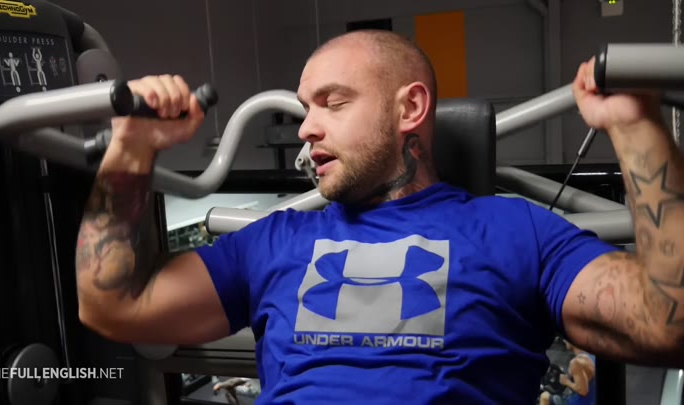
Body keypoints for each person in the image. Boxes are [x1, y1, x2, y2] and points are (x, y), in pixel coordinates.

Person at [75, 30, 684, 403]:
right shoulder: (274, 241)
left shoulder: (515, 232)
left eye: (333, 103)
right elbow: (111, 305)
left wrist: (635, 126)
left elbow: (668, 322)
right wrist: (133, 147)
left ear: (410, 108)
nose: (307, 128)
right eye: (305, 109)